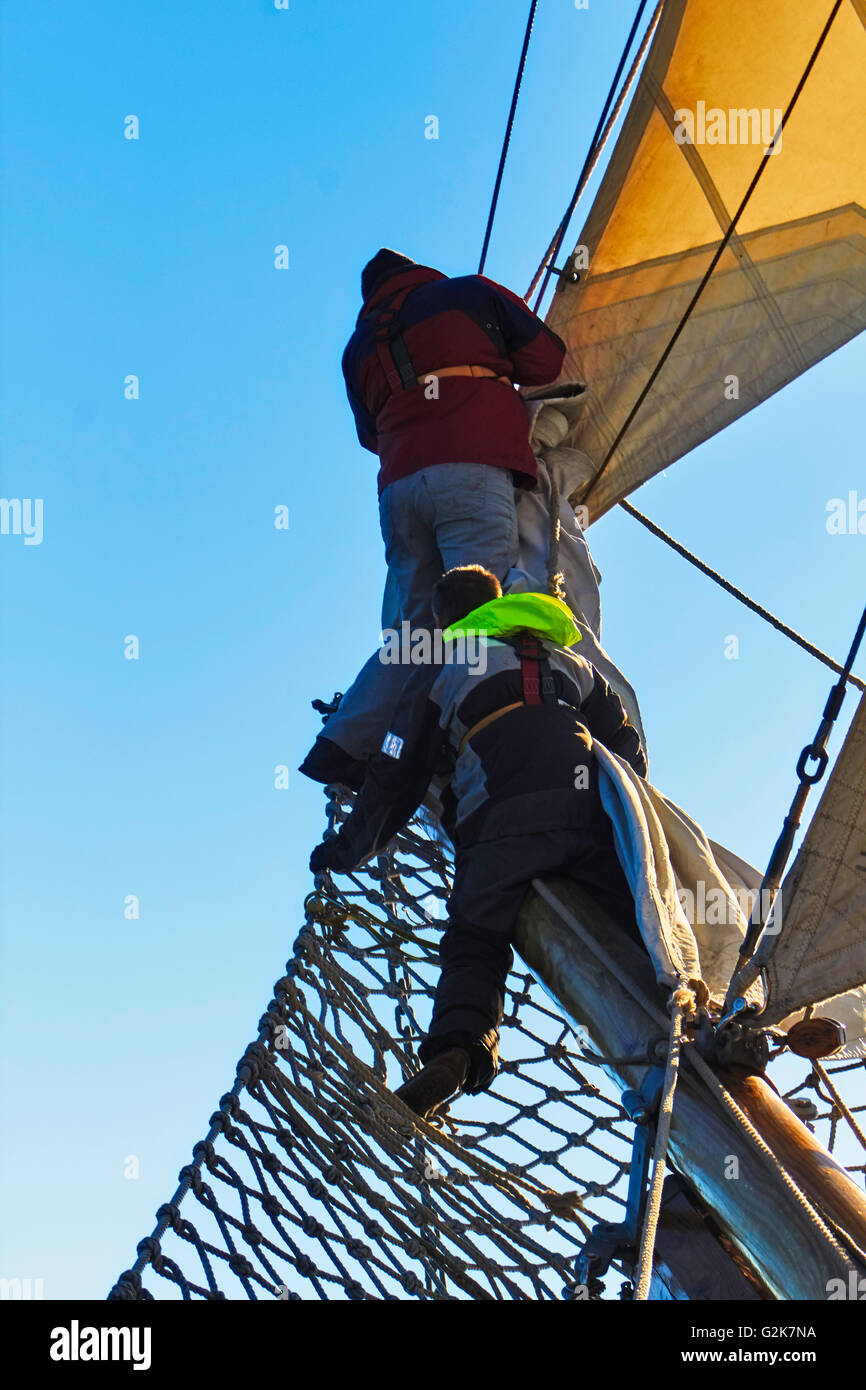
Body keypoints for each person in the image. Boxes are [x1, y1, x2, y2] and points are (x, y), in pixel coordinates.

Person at [309, 565, 647, 1121]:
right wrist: (628, 821)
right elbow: (623, 741)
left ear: (443, 619)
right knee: (637, 938)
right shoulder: (567, 657)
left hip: (500, 822)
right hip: (591, 817)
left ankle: (457, 1053)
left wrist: (346, 849)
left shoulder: (444, 665)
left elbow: (397, 764)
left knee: (475, 939)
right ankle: (691, 1055)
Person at [299, 248, 567, 791]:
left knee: (413, 632)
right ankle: (463, 734)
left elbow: (368, 436)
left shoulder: (356, 350)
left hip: (400, 490)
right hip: (468, 468)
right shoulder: (467, 294)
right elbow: (547, 360)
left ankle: (347, 746)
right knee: (480, 609)